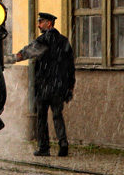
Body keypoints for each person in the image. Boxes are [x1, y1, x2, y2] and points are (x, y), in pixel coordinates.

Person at [9, 12, 75, 157]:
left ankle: (44, 148)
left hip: (44, 85)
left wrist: (14, 58)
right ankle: (63, 144)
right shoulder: (64, 41)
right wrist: (70, 86)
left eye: (41, 22)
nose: (39, 25)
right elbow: (71, 66)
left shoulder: (44, 40)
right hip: (59, 86)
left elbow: (27, 52)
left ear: (49, 24)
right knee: (58, 115)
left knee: (42, 117)